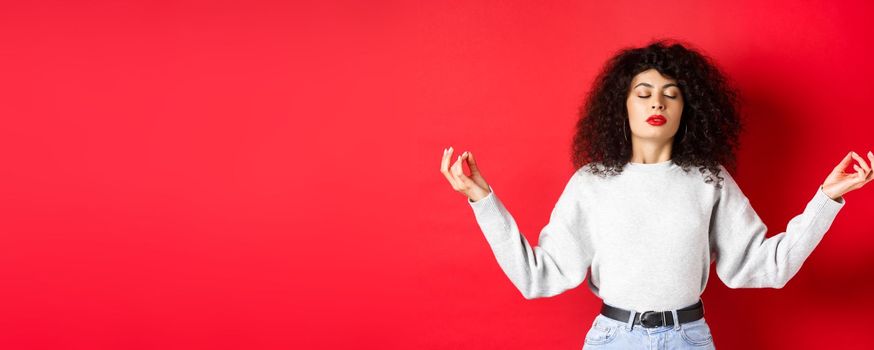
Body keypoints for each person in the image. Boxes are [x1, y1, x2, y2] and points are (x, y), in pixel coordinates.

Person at [438, 39, 873, 349]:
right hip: (614, 340)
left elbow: (767, 268)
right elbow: (538, 278)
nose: (657, 104)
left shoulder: (709, 179)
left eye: (671, 95)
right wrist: (483, 201)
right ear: (621, 106)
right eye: (643, 94)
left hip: (690, 339)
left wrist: (827, 199)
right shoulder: (593, 182)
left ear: (688, 109)